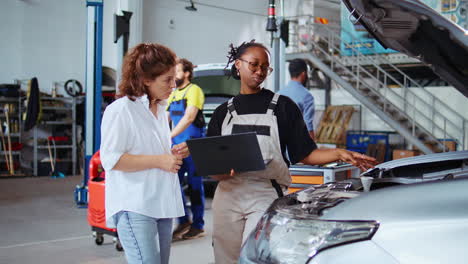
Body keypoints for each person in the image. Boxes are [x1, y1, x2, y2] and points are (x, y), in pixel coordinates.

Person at [206, 40, 377, 263]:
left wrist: (339, 153)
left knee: (254, 256)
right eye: (254, 65)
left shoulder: (283, 106)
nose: (260, 71)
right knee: (224, 258)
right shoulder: (223, 112)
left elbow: (305, 154)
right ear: (238, 64)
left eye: (265, 67)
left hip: (264, 193)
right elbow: (214, 168)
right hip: (228, 195)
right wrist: (220, 171)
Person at [100, 43, 189, 264]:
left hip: (161, 203)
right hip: (135, 206)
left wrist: (172, 153)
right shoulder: (121, 111)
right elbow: (111, 159)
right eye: (167, 80)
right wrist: (160, 160)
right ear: (146, 79)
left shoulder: (159, 109)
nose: (173, 85)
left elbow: (145, 150)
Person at [167, 58, 206, 240]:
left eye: (178, 71)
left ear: (187, 73)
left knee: (195, 186)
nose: (175, 74)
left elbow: (189, 117)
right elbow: (165, 118)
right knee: (172, 185)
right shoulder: (174, 94)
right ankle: (183, 220)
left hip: (193, 146)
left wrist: (170, 134)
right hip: (176, 147)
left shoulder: (194, 90)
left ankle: (198, 225)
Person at [278, 58, 316, 140]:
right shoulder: (307, 96)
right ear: (303, 74)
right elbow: (308, 125)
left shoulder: (278, 94)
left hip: (279, 145)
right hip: (297, 145)